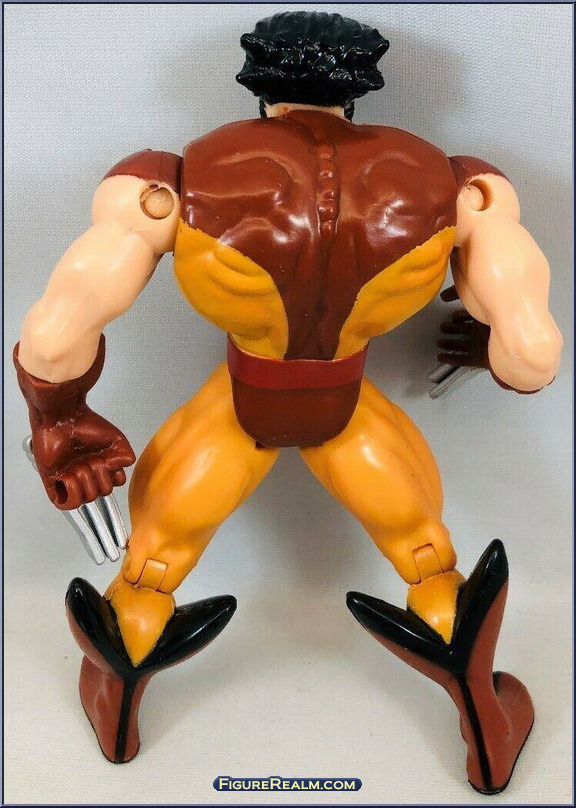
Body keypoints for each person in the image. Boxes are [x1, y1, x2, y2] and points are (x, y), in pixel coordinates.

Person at [14, 11, 562, 792]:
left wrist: (61, 419)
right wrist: (485, 345)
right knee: (427, 555)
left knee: (150, 571)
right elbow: (533, 356)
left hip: (240, 408)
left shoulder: (170, 182)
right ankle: (481, 706)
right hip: (347, 410)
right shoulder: (457, 187)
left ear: (258, 87)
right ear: (359, 92)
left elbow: (53, 338)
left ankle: (121, 689)